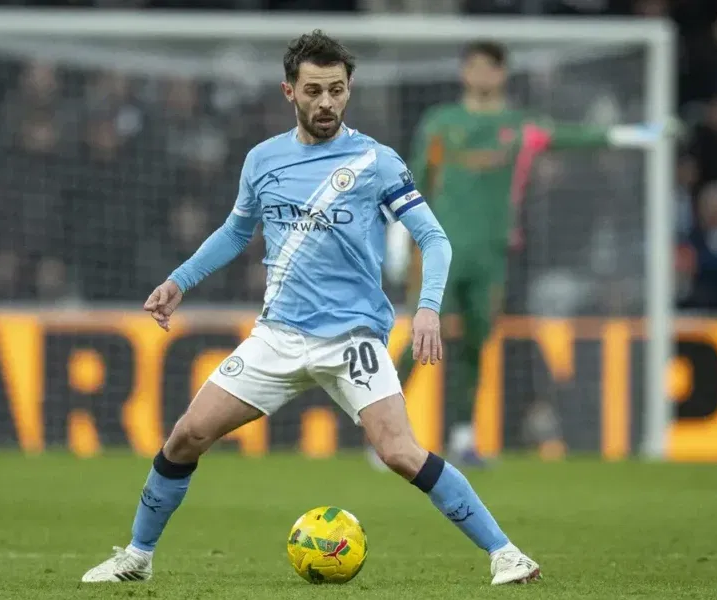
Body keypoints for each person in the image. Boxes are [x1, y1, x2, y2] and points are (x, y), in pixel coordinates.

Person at [81, 30, 540, 587]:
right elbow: (236, 232)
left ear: (349, 90)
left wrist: (427, 308)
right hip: (277, 337)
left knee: (399, 452)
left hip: (352, 340)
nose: (326, 102)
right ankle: (137, 556)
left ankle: (506, 554)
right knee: (186, 436)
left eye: (337, 90)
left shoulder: (376, 161)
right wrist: (180, 281)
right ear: (289, 91)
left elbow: (434, 238)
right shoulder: (263, 159)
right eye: (314, 90)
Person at [397, 40, 678, 465]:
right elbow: (413, 183)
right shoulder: (440, 122)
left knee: (475, 346)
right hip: (439, 253)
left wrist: (642, 135)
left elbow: (580, 136)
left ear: (502, 73)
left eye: (490, 67)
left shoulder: (520, 126)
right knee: (419, 338)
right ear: (463, 72)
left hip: (491, 255)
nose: (481, 74)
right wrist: (404, 243)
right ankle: (384, 432)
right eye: (474, 66)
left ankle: (462, 437)